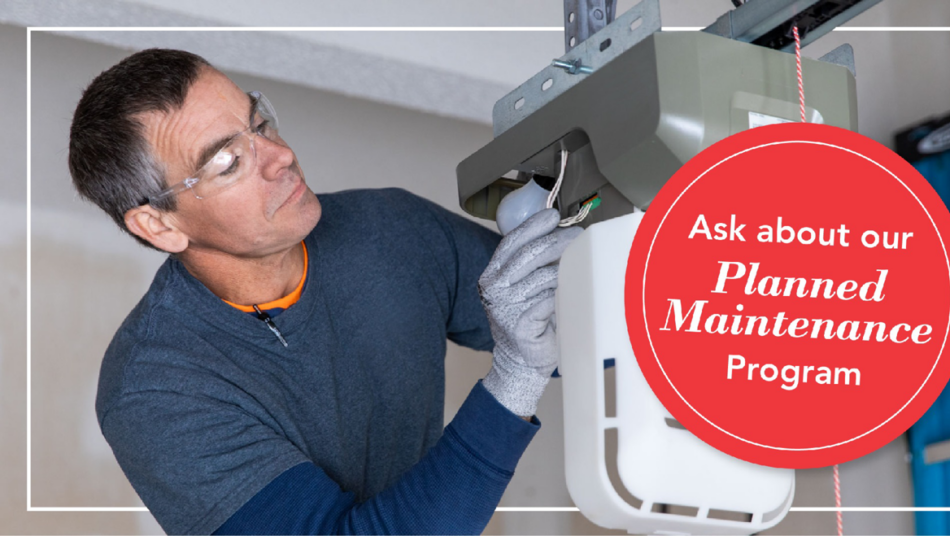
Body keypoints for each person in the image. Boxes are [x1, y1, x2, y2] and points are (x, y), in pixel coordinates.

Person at [68, 48, 582, 535]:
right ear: (158, 226)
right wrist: (516, 376)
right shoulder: (155, 390)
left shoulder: (391, 230)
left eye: (260, 122)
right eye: (228, 162)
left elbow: (600, 334)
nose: (281, 155)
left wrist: (607, 247)